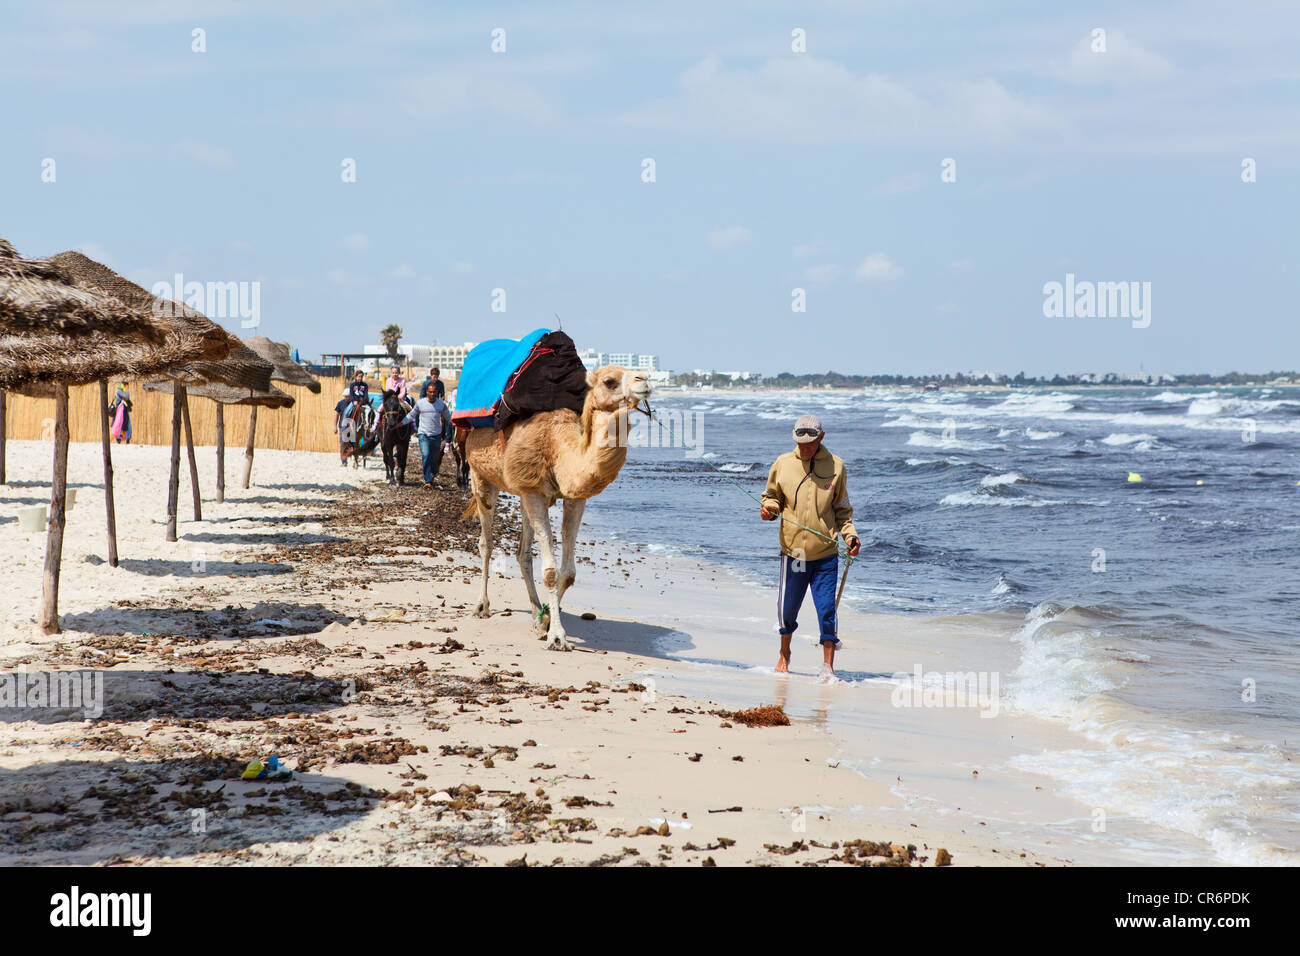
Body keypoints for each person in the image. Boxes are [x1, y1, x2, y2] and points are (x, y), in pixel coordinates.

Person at [760, 414, 861, 682]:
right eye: (800, 442)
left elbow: (843, 512)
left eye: (810, 443)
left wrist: (850, 538)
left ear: (821, 438)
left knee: (827, 609)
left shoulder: (836, 466)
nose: (805, 447)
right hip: (795, 553)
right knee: (787, 609)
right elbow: (772, 497)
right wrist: (770, 509)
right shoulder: (783, 464)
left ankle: (828, 667)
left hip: (826, 554)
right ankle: (784, 654)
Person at [402, 381, 450, 488]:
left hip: (436, 435)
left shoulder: (441, 405)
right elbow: (411, 415)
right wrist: (401, 423)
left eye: (434, 392)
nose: (432, 394)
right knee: (426, 455)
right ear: (427, 392)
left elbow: (448, 417)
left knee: (434, 458)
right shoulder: (420, 403)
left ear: (436, 392)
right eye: (430, 392)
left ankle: (432, 473)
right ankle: (427, 480)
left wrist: (457, 423)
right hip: (423, 434)